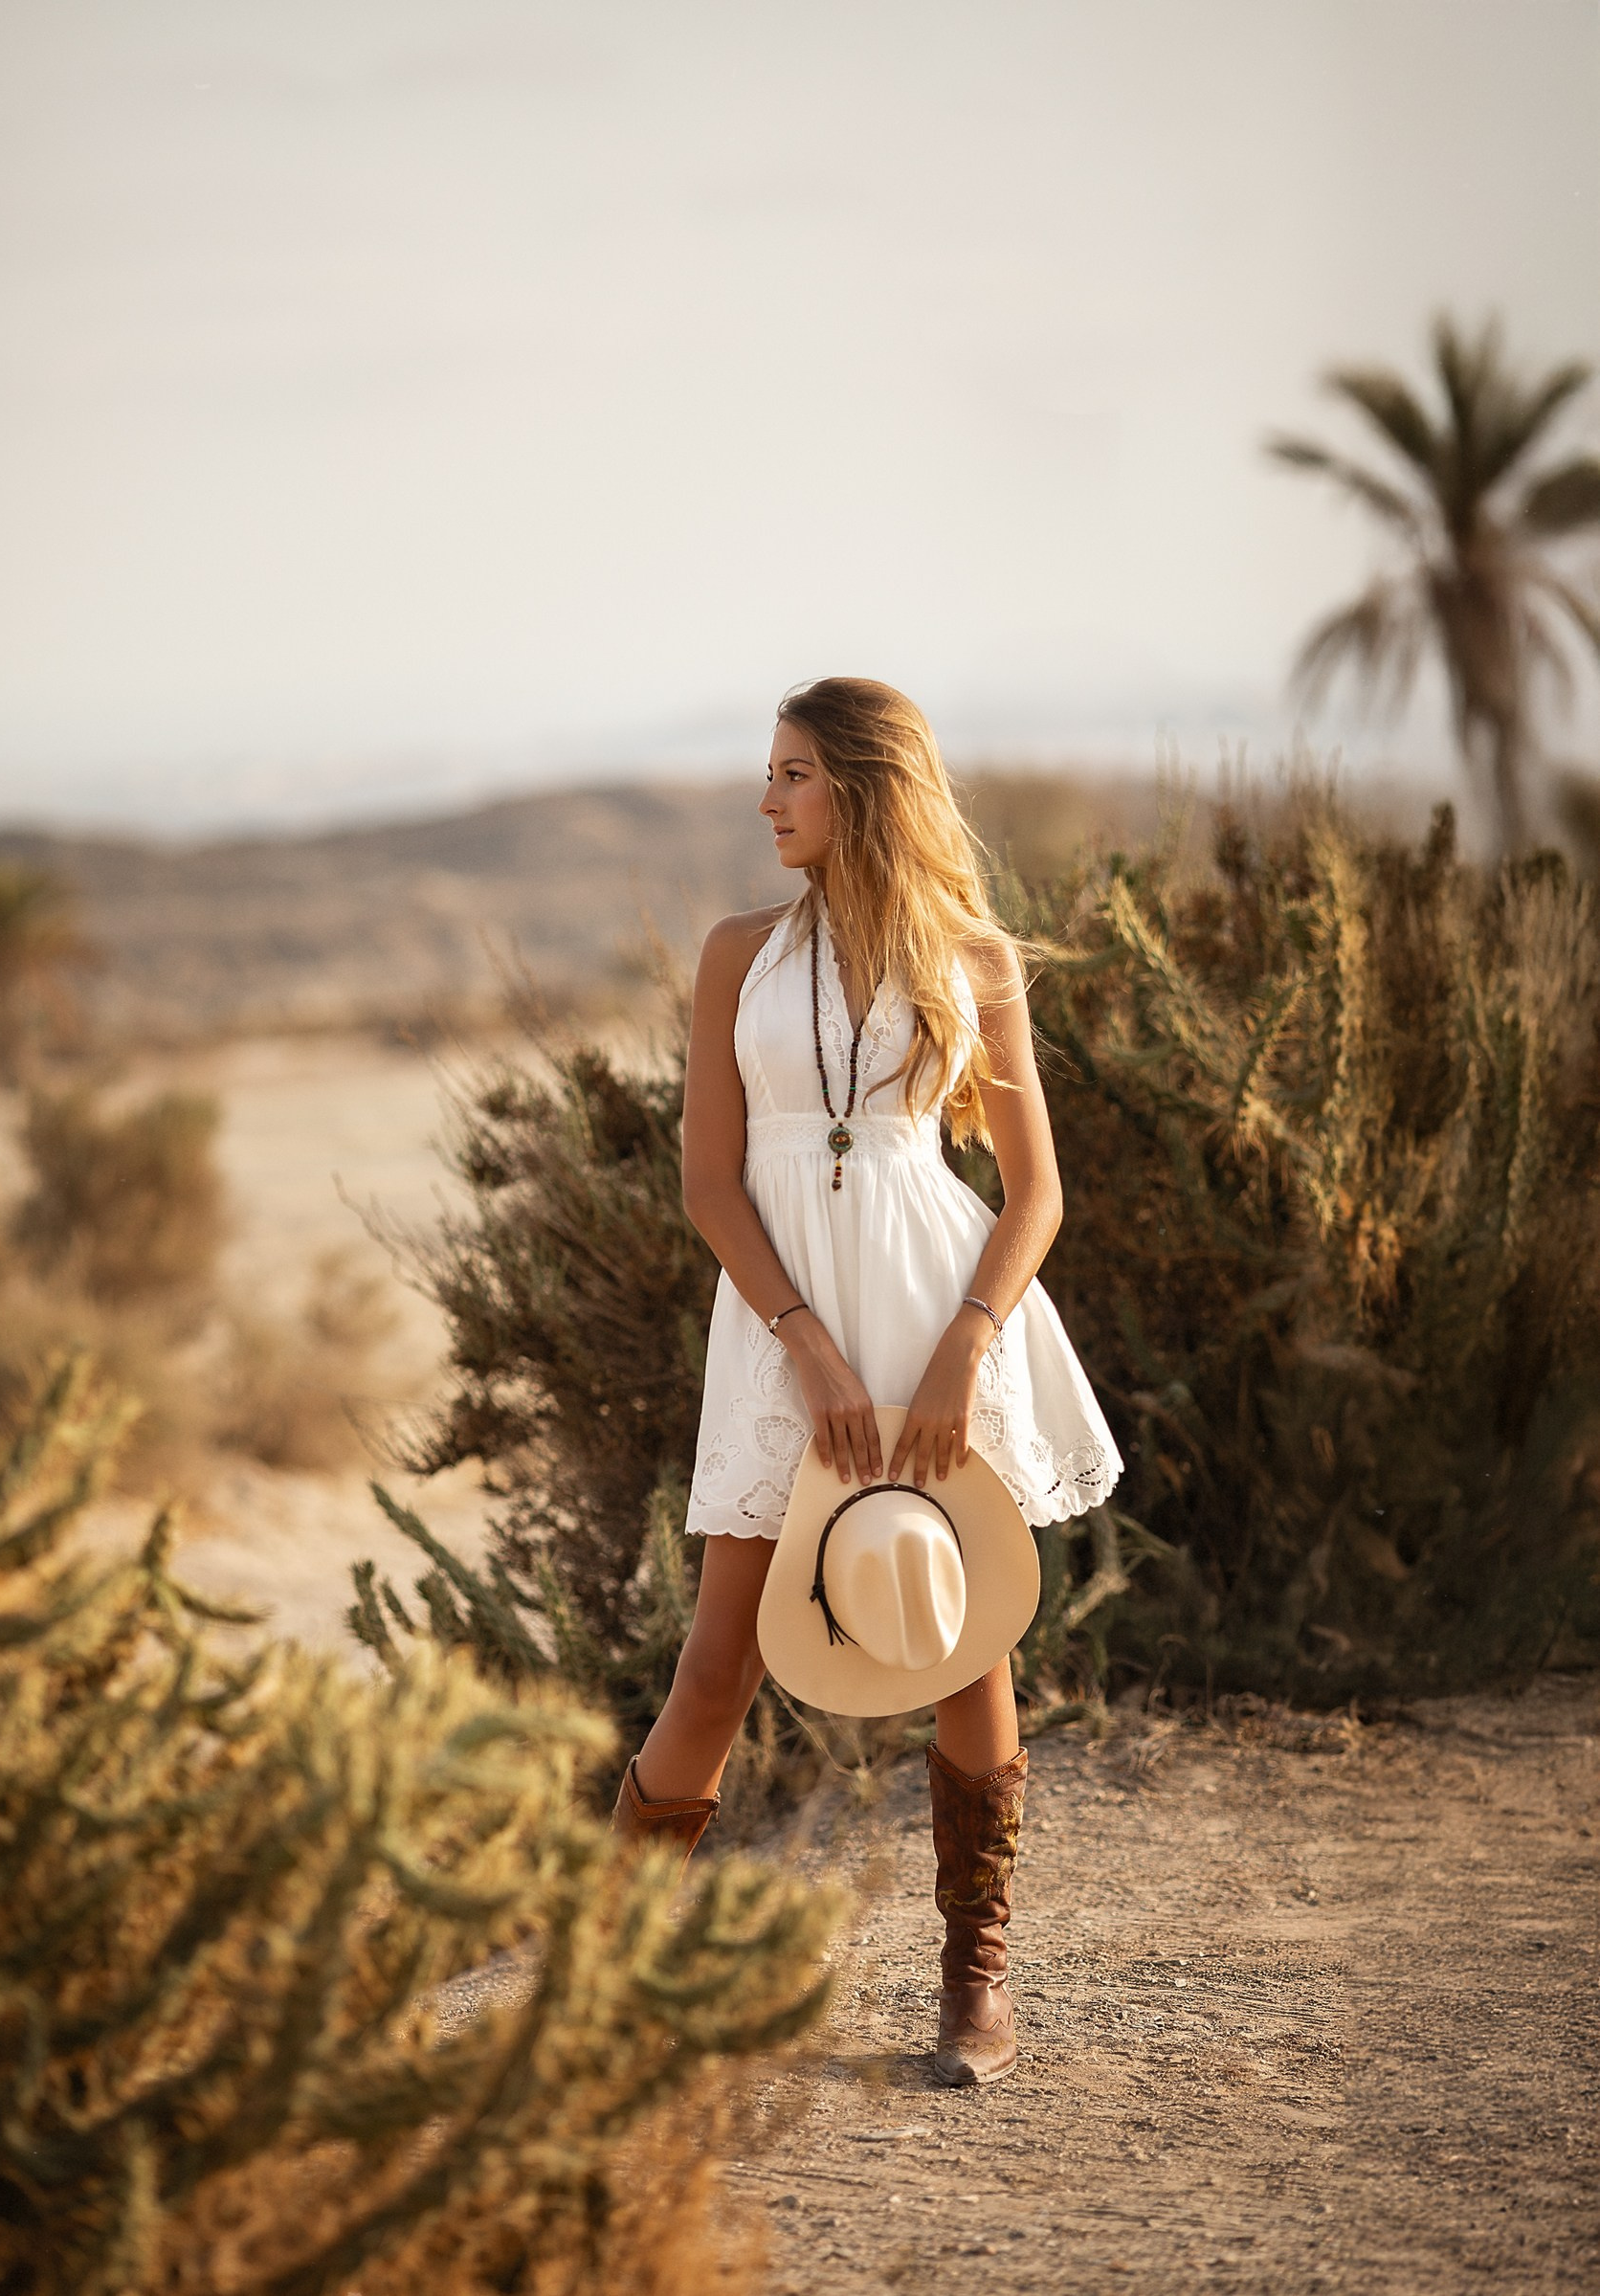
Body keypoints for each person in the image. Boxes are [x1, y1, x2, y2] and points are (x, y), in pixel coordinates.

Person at [613, 676, 1122, 2087]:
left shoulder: (974, 961)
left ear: (860, 787)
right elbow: (709, 1184)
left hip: (933, 1301)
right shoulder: (736, 955)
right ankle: (610, 1983)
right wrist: (806, 1342)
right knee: (718, 1659)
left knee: (960, 1639)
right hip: (783, 1328)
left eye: (789, 775)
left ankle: (975, 1982)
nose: (763, 799)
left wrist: (968, 1341)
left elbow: (1033, 1197)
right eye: (765, 774)